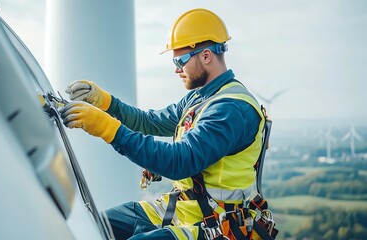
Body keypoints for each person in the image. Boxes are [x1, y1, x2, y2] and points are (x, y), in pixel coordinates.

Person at [60, 8, 271, 240]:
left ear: (206, 56)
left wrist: (106, 128)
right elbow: (150, 122)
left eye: (180, 60)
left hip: (216, 224)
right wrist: (107, 102)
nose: (177, 69)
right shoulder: (200, 97)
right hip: (185, 207)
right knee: (94, 226)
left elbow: (179, 161)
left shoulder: (230, 110)